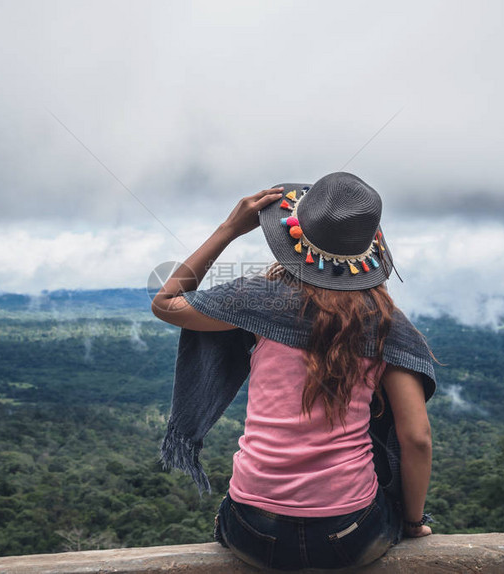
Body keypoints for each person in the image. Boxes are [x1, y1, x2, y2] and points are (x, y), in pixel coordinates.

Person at [151, 172, 434, 570]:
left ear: (293, 243)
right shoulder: (386, 324)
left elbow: (166, 301)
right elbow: (416, 437)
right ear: (368, 251)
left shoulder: (257, 301)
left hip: (253, 530)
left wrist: (228, 229)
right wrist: (413, 521)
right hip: (351, 534)